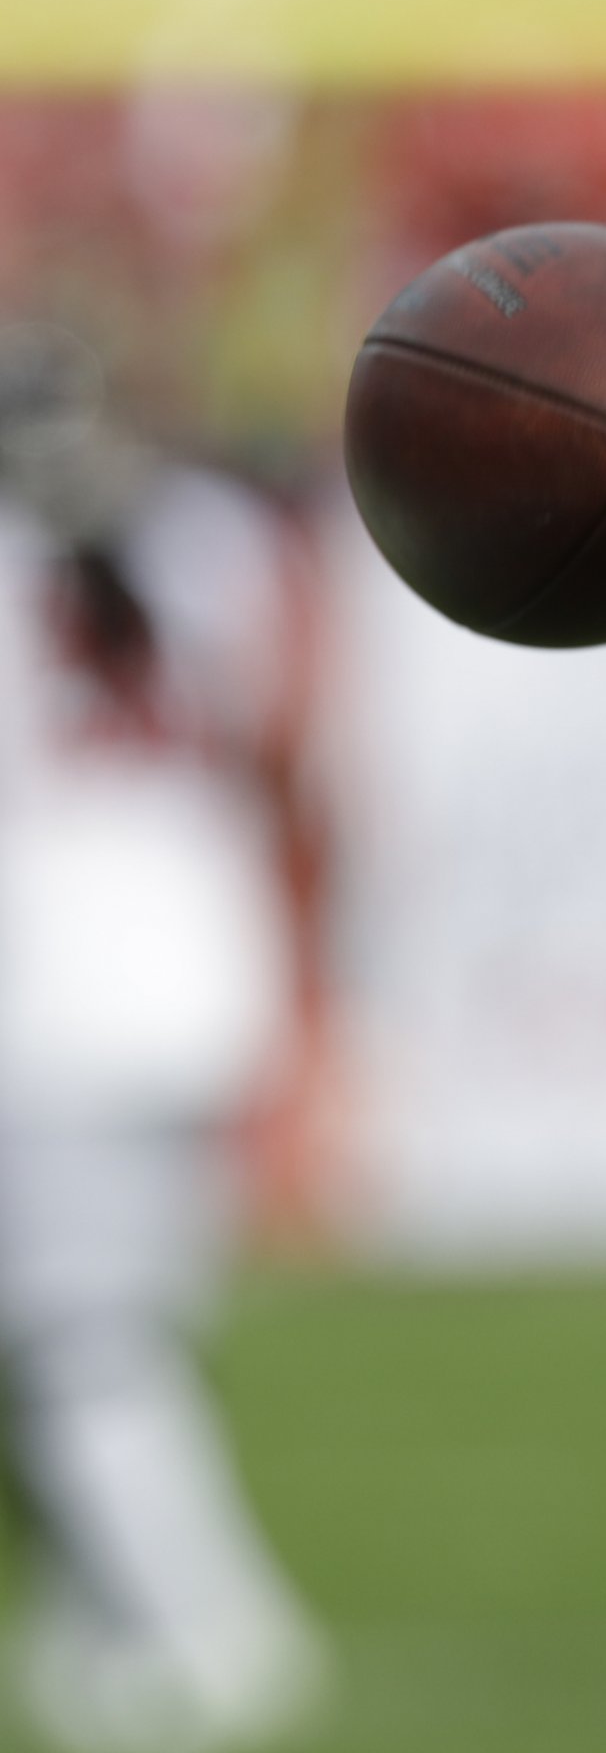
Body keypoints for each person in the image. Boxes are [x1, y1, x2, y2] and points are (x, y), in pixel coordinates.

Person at [0, 327, 324, 1752]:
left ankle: (222, 1634)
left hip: (58, 991)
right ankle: (101, 1649)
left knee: (79, 1345)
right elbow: (270, 743)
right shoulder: (210, 543)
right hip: (195, 973)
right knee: (114, 1329)